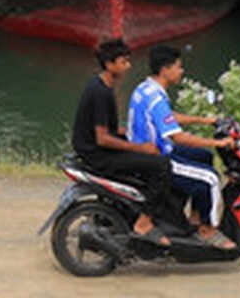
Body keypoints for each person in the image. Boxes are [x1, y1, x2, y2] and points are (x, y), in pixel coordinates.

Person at [127, 45, 236, 250]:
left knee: (203, 157)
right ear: (165, 70)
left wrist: (205, 120)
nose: (182, 71)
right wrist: (218, 143)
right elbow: (178, 137)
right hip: (157, 160)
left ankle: (194, 217)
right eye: (178, 67)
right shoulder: (157, 99)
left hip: (146, 152)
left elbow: (169, 118)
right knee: (211, 179)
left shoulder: (146, 88)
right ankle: (208, 230)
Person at [71, 39, 173, 246]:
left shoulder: (101, 85)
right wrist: (140, 147)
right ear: (110, 64)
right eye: (124, 62)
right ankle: (144, 223)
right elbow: (103, 138)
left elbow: (110, 130)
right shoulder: (100, 92)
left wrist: (131, 133)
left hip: (95, 148)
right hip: (97, 154)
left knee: (148, 158)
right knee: (162, 166)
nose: (128, 66)